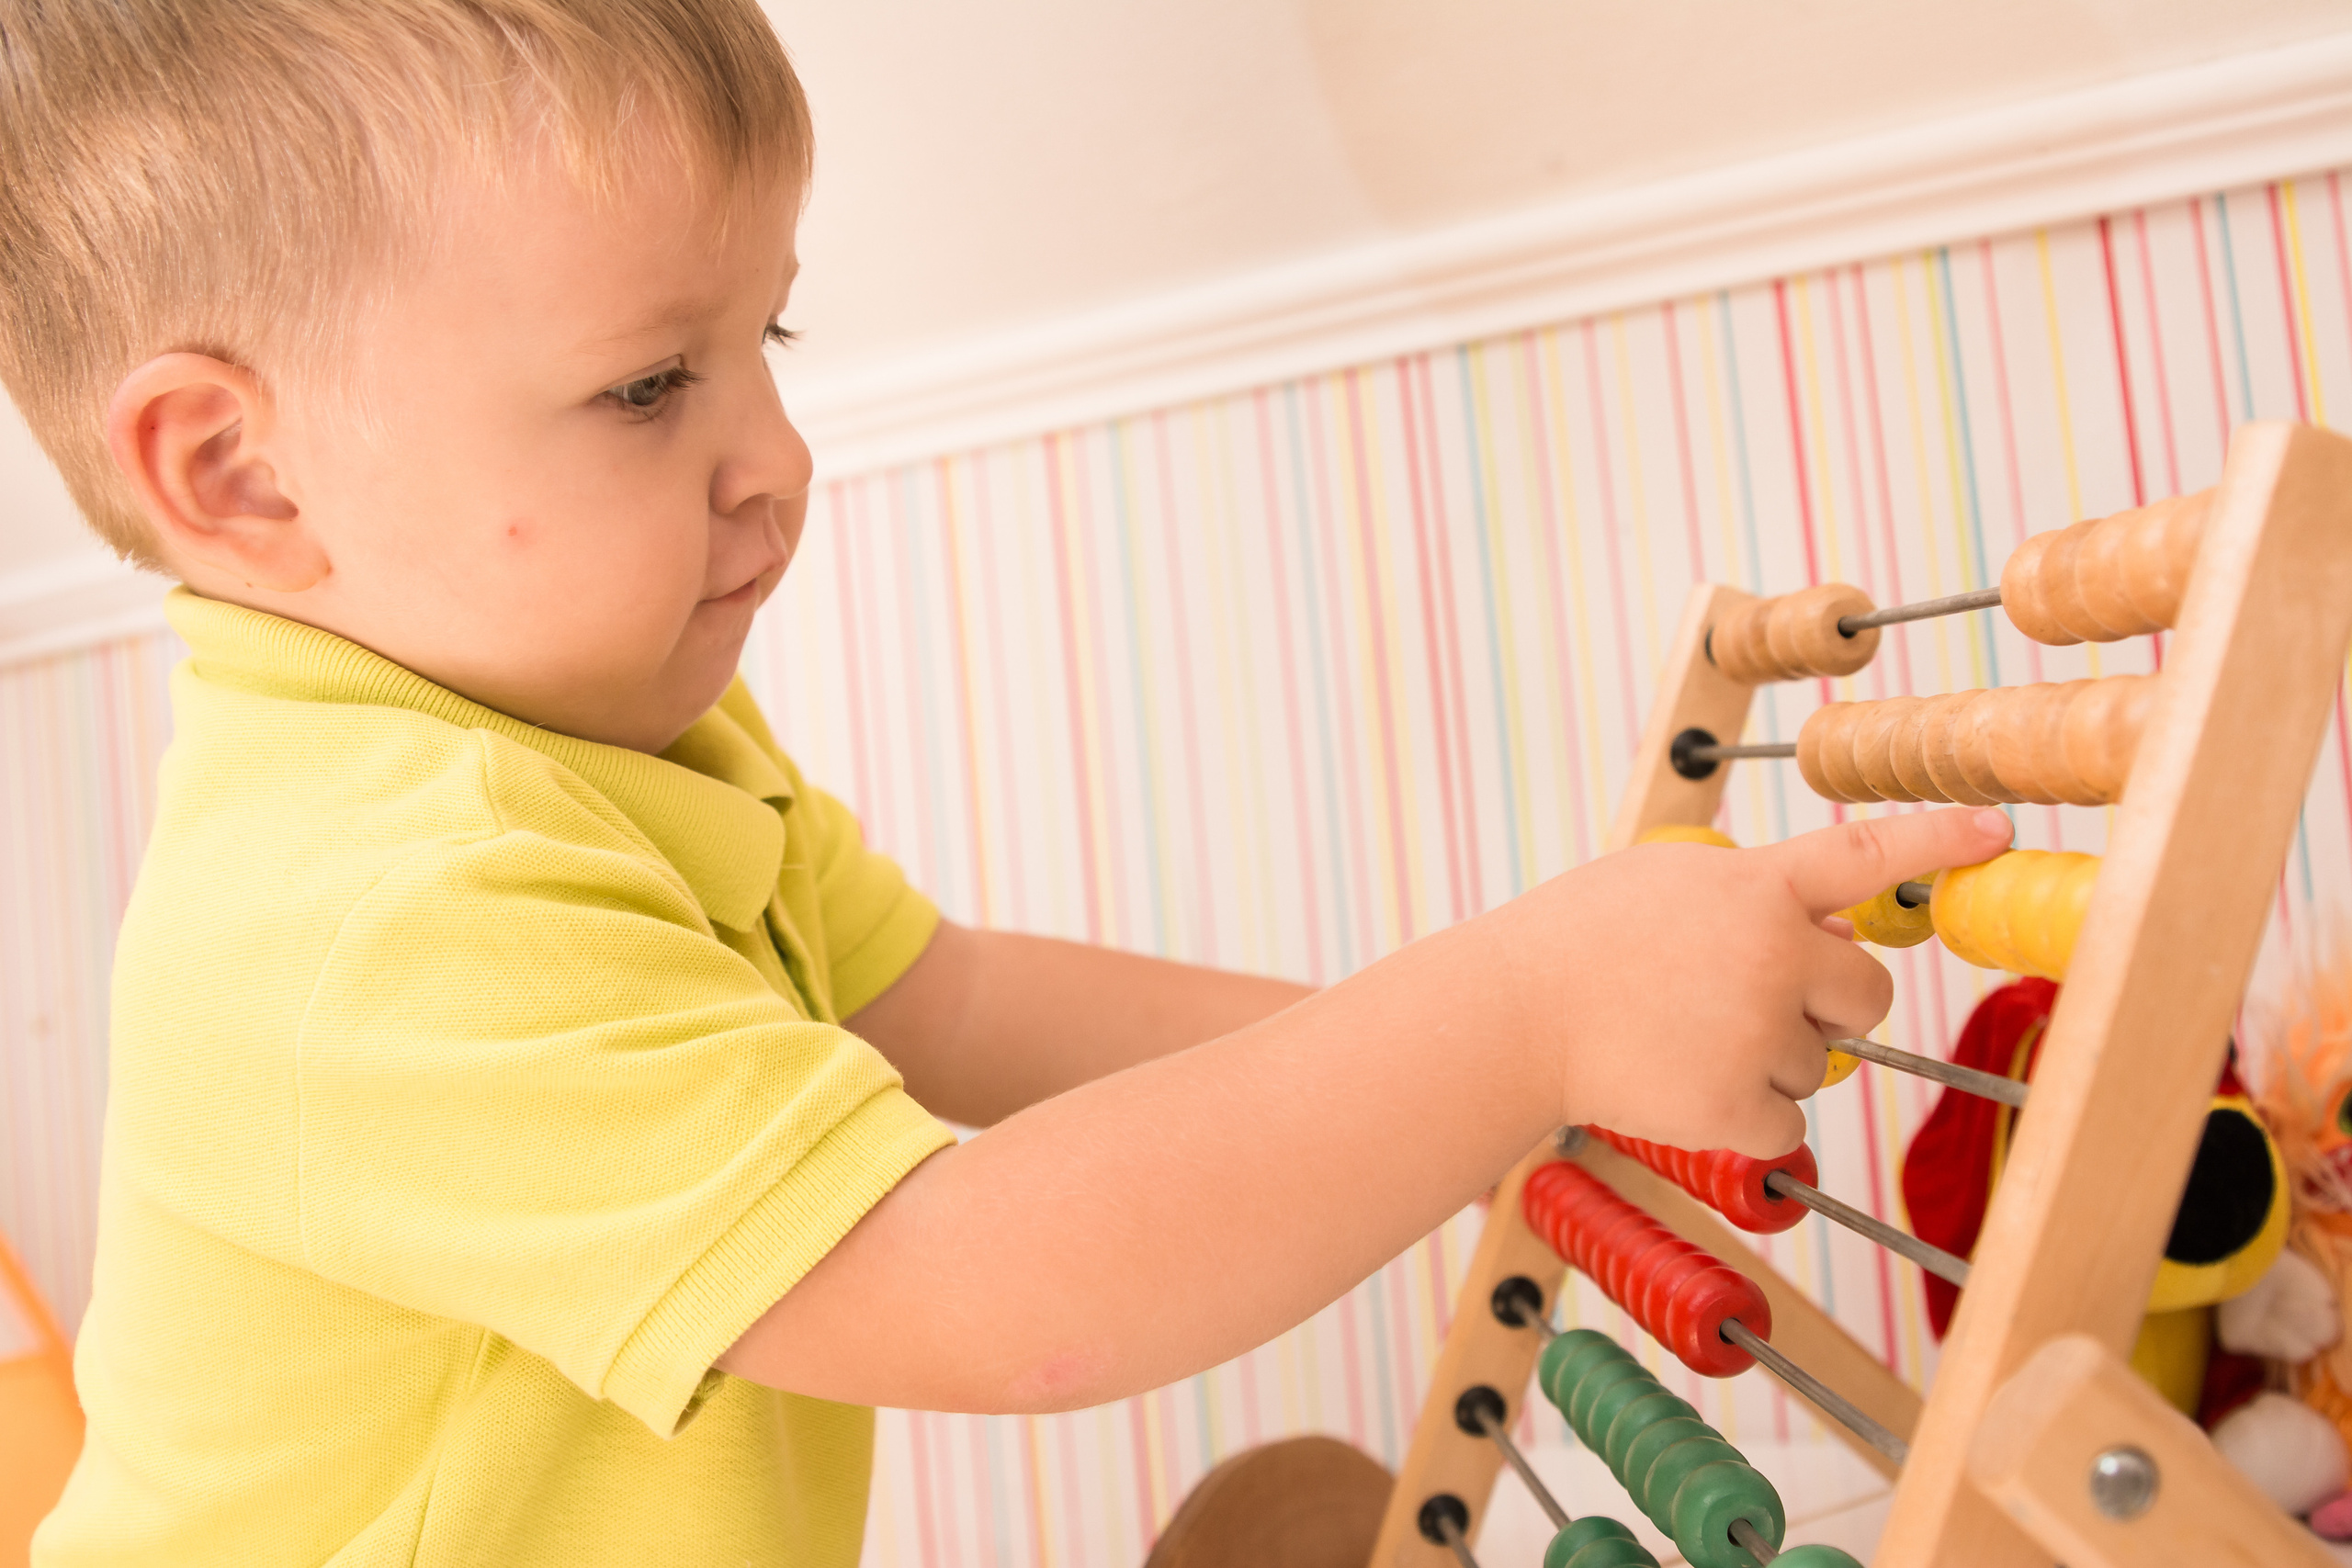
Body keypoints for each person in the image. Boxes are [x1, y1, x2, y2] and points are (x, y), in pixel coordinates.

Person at [0, 3, 2014, 1562]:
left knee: (1307, 1505)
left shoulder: (597, 740)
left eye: (763, 329)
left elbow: (945, 1000)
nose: (772, 450)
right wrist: (1518, 1014)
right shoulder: (378, 911)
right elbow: (989, 1291)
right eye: (645, 383)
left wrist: (1499, 1076)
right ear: (243, 478)